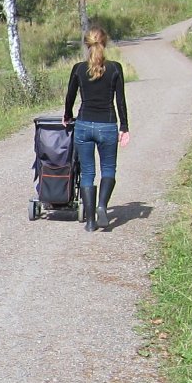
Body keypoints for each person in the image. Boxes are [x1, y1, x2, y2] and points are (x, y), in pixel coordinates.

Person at [62, 26, 129, 232]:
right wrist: (124, 127)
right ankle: (102, 206)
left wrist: (67, 116)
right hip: (107, 125)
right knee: (108, 168)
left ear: (87, 44)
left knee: (88, 172)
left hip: (84, 124)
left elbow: (70, 97)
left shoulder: (78, 69)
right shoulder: (115, 68)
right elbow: (120, 101)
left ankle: (90, 222)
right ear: (105, 43)